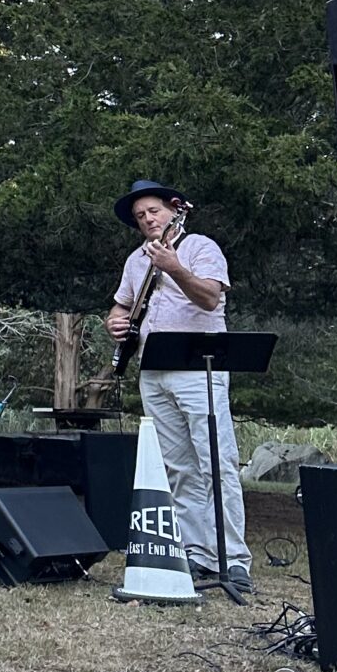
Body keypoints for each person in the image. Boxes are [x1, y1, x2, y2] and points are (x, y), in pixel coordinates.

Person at [106, 179, 250, 597]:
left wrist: (174, 267)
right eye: (140, 216)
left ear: (173, 210)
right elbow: (121, 304)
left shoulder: (201, 247)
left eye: (153, 211)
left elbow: (209, 298)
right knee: (179, 468)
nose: (147, 219)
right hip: (153, 369)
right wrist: (113, 320)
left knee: (217, 463)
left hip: (199, 368)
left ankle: (233, 559)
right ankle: (197, 552)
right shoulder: (136, 260)